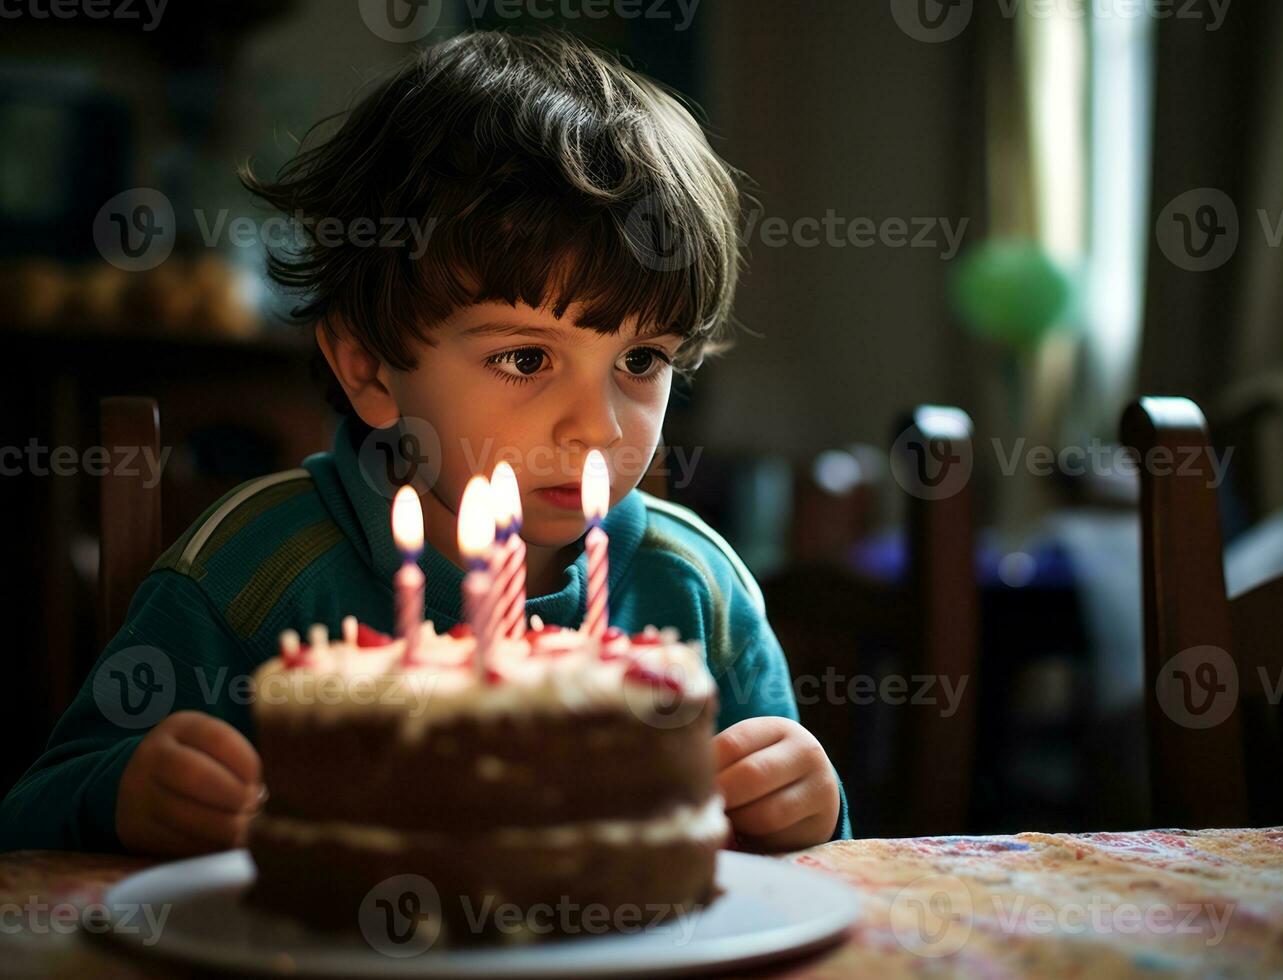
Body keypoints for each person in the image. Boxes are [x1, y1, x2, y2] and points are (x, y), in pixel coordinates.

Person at [0, 29, 851, 856]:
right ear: (370, 370)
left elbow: (805, 852)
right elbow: (33, 819)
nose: (596, 426)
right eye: (525, 356)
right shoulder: (252, 572)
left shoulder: (696, 588)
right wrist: (128, 793)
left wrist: (806, 805)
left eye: (640, 359)